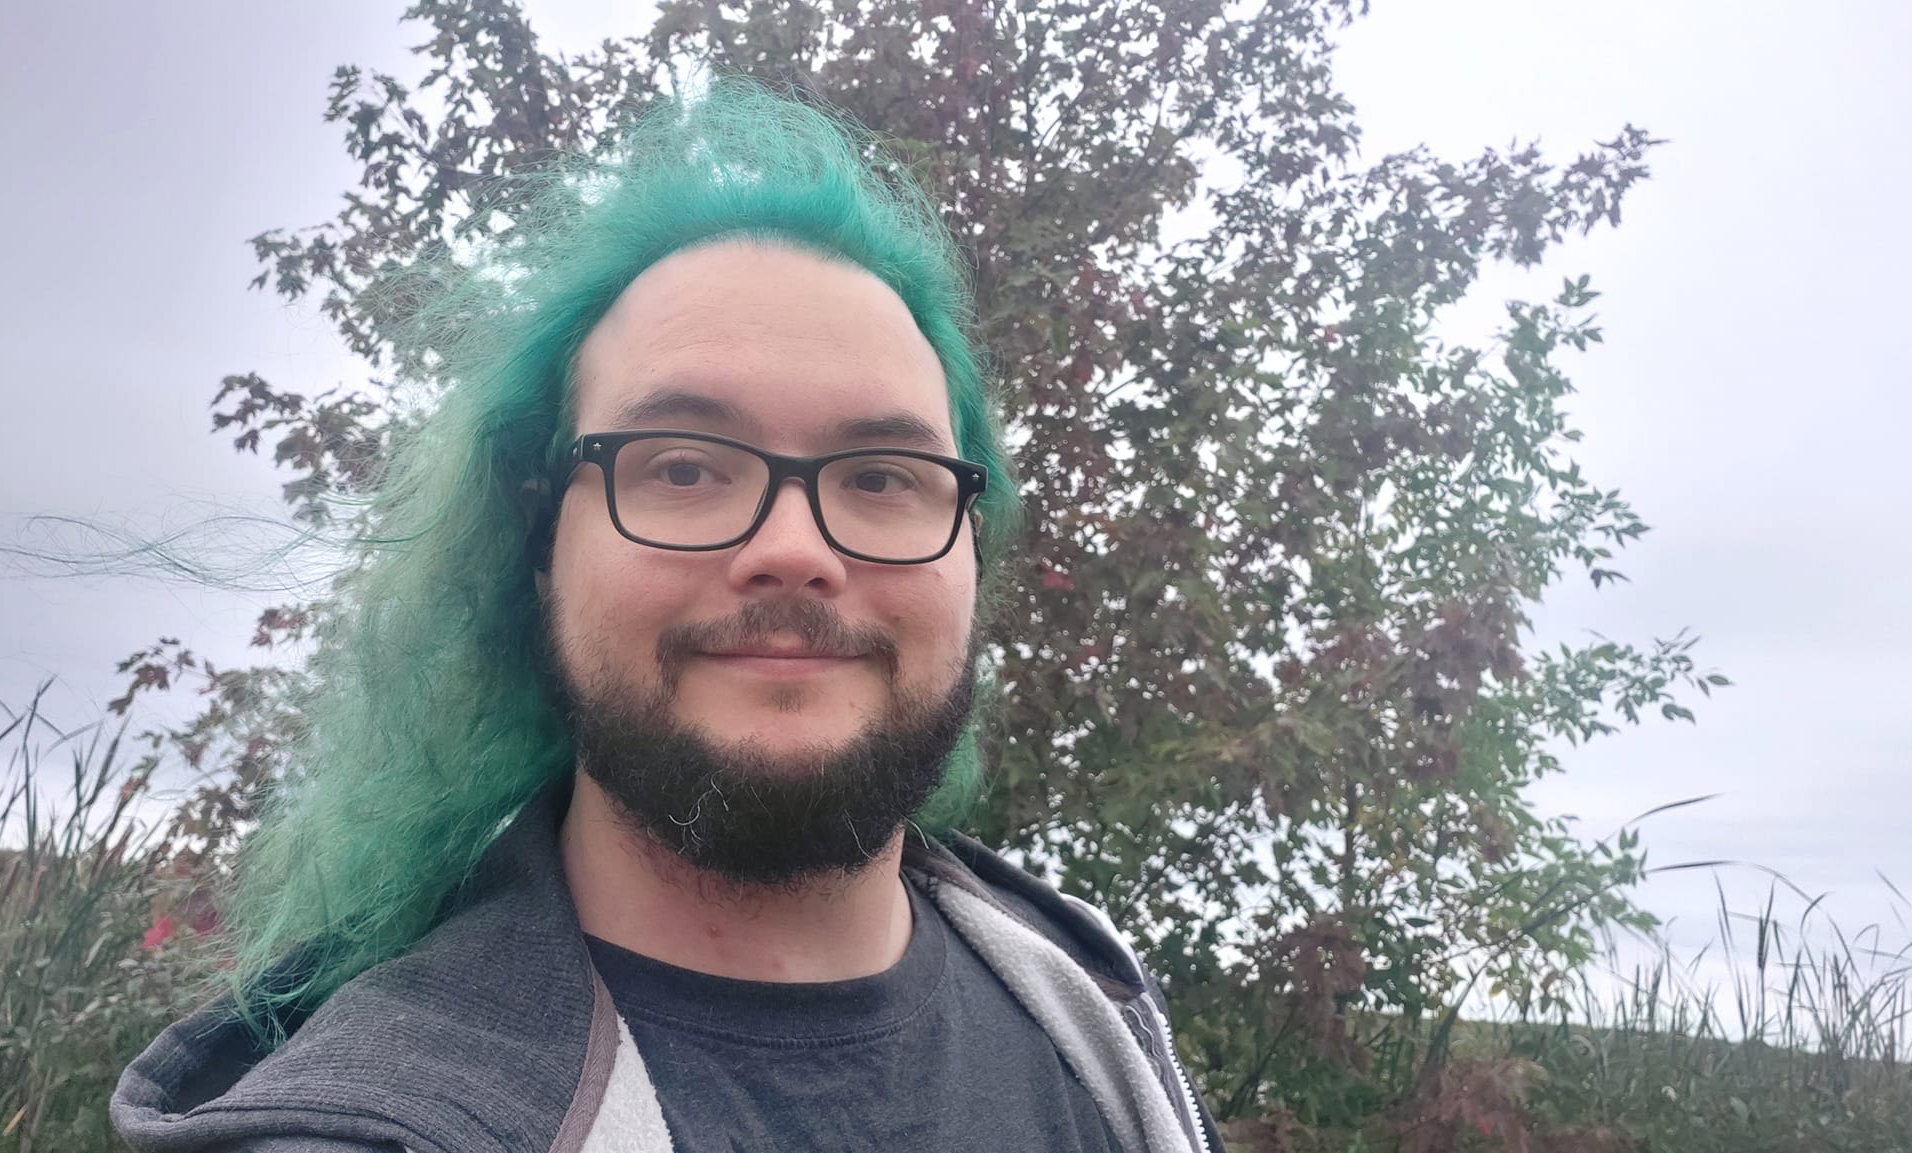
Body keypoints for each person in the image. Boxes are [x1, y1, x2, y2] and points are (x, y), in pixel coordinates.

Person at [112, 79, 1221, 1153]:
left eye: (882, 475)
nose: (794, 550)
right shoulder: (379, 1124)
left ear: (969, 550)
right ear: (541, 543)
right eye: (683, 467)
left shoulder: (1090, 1005)